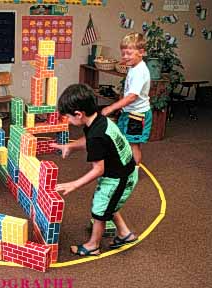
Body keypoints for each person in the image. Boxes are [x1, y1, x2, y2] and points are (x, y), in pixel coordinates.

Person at [50, 84, 139, 256]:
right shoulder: (99, 120)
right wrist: (69, 146)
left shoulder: (96, 136)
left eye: (68, 117)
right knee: (108, 204)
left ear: (78, 114)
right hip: (125, 172)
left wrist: (74, 184)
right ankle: (124, 233)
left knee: (99, 210)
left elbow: (98, 169)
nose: (67, 121)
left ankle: (93, 246)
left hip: (118, 178)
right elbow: (88, 140)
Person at [101, 32, 152, 166]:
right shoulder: (133, 68)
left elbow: (132, 96)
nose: (125, 57)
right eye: (123, 53)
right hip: (130, 112)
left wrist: (111, 107)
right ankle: (124, 165)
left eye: (129, 53)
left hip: (137, 115)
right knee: (125, 140)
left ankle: (133, 172)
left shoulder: (140, 71)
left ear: (141, 52)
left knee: (133, 144)